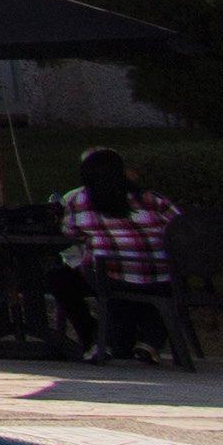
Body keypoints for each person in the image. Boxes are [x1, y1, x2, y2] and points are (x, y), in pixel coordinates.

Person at [49, 148, 184, 362]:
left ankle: (98, 339)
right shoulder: (152, 198)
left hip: (110, 276)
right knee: (139, 288)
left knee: (62, 277)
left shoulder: (80, 200)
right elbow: (181, 227)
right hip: (162, 277)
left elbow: (69, 233)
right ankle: (148, 341)